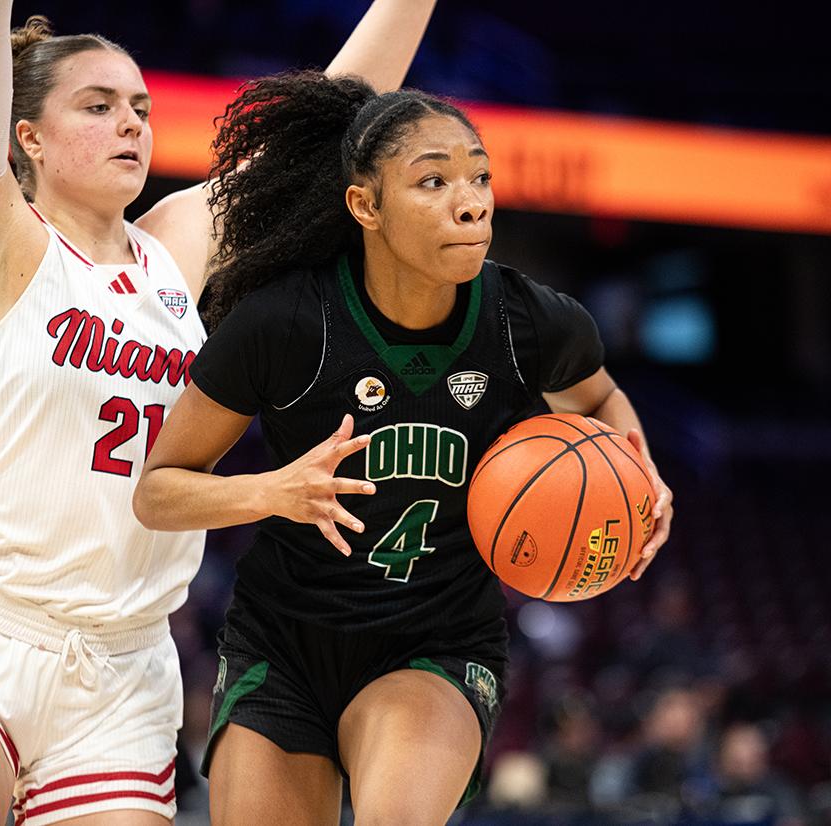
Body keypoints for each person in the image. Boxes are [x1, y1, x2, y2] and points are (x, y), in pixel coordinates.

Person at [0, 2, 438, 824]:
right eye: (97, 106)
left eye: (140, 108)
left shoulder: (174, 248)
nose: (130, 123)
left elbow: (326, 125)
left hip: (123, 670)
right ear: (26, 137)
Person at [134, 72, 674, 825]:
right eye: (434, 180)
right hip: (284, 644)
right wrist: (270, 490)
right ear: (365, 205)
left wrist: (643, 476)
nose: (472, 199)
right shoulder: (285, 325)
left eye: (480, 176)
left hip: (435, 644)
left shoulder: (531, 324)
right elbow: (156, 490)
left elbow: (601, 404)